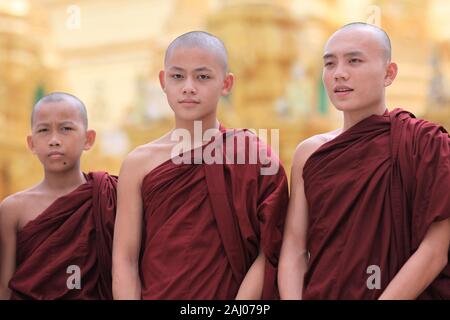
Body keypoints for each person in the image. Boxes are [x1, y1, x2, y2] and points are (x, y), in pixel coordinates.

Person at [279, 22, 450, 300]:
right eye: (330, 64)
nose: (339, 74)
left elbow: (435, 250)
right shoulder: (309, 153)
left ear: (389, 73)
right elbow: (294, 248)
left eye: (354, 61)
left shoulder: (424, 144)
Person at [112, 31, 289, 300]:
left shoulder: (251, 154)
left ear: (226, 84)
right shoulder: (139, 164)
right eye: (177, 76)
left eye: (203, 77)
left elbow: (271, 249)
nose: (189, 87)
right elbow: (125, 259)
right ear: (163, 81)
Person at [0, 92, 117, 300]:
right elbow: (4, 288)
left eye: (66, 129)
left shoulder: (108, 197)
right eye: (44, 130)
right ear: (31, 143)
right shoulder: (13, 209)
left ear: (88, 139)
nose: (54, 140)